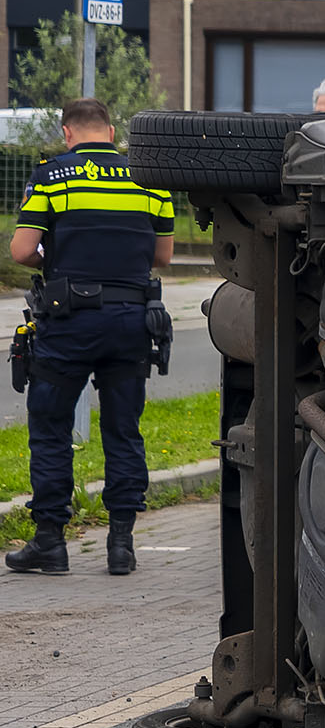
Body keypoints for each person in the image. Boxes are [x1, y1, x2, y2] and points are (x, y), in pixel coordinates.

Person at [6, 99, 174, 577]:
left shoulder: (51, 177)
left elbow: (21, 251)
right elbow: (162, 256)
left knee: (51, 427)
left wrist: (59, 259)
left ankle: (50, 543)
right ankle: (121, 545)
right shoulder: (149, 179)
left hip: (68, 322)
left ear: (67, 133)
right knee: (123, 430)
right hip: (132, 320)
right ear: (111, 131)